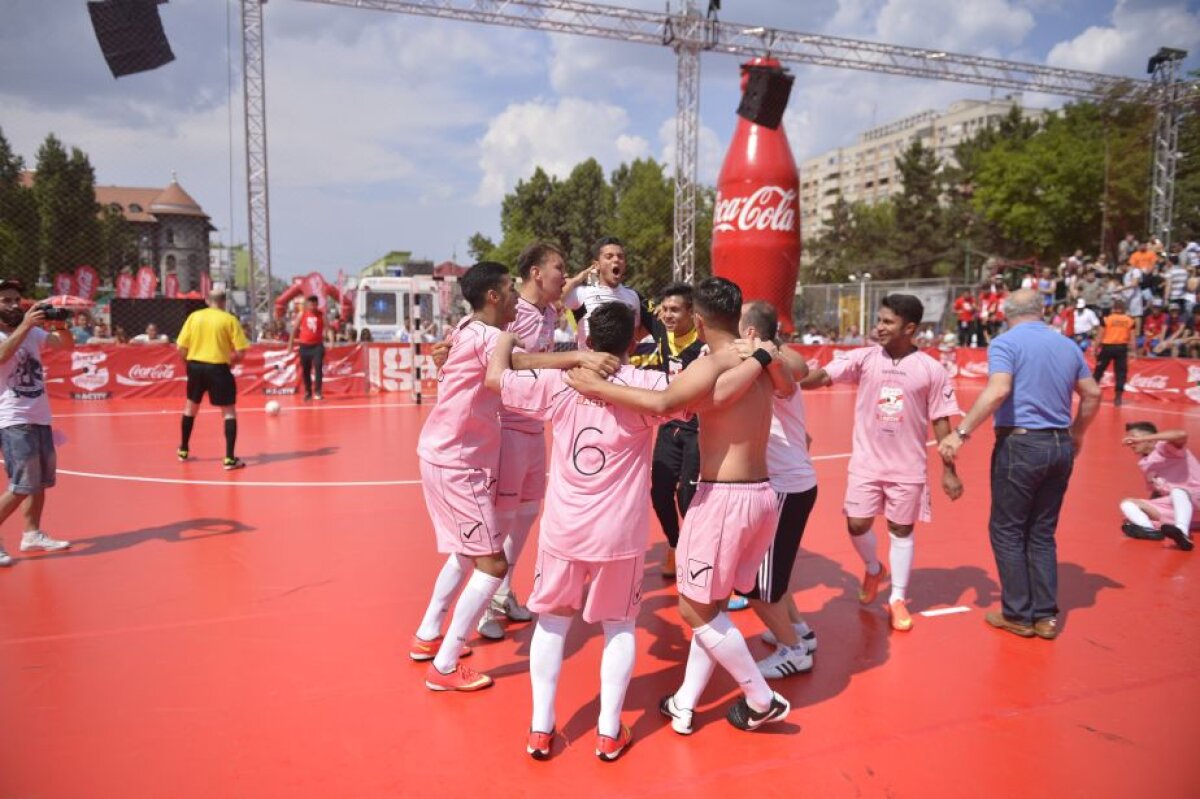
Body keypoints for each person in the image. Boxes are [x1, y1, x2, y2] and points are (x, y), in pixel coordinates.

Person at [567, 276, 796, 735]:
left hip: (725, 499)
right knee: (709, 604)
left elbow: (664, 401)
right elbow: (788, 385)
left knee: (694, 609)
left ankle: (760, 696)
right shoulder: (758, 359)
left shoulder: (716, 362)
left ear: (697, 317)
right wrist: (767, 354)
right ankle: (685, 703)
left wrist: (596, 386)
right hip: (760, 497)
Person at [411, 262, 617, 691]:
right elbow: (516, 364)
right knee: (492, 563)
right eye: (508, 289)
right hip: (458, 462)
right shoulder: (490, 335)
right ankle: (445, 666)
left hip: (454, 456)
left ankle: (428, 636)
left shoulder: (469, 326)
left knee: (469, 553)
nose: (514, 295)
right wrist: (577, 356)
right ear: (493, 296)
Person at [486, 302, 668, 762]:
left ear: (585, 339)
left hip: (565, 531)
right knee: (620, 626)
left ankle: (541, 729)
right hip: (620, 536)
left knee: (551, 622)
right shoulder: (647, 383)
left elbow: (496, 377)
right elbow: (700, 393)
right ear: (633, 342)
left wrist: (507, 339)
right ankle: (609, 732)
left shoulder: (560, 381)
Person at [939, 289, 1100, 640]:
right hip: (1058, 443)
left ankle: (1017, 613)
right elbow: (1093, 393)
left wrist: (960, 433)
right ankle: (1045, 616)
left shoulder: (1006, 343)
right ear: (1040, 312)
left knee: (1008, 530)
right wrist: (1077, 434)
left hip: (1022, 443)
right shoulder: (1067, 345)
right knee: (1041, 531)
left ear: (1006, 312)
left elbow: (999, 390)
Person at [801, 294, 963, 632]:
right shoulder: (864, 358)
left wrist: (949, 471)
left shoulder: (931, 370)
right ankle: (874, 569)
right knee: (857, 524)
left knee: (901, 529)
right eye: (879, 320)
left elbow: (941, 422)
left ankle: (897, 598)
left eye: (888, 322)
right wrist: (786, 383)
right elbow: (822, 376)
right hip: (866, 464)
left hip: (908, 468)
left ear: (910, 328)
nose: (879, 327)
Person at [736, 301, 820, 678]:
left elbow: (793, 371)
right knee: (776, 573)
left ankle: (794, 650)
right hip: (788, 484)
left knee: (754, 582)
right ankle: (799, 629)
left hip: (786, 486)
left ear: (751, 331)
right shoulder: (759, 360)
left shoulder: (774, 366)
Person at [0, 280, 73, 566]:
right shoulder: (19, 332)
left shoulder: (31, 332)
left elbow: (65, 345)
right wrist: (26, 326)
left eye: (17, 300)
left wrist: (61, 323)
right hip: (12, 418)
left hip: (39, 414)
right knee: (21, 485)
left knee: (40, 481)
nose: (14, 305)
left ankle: (31, 534)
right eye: (6, 300)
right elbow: (3, 355)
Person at [642, 283, 705, 578]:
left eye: (675, 310)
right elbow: (633, 306)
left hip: (697, 428)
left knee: (688, 495)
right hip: (668, 425)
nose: (667, 315)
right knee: (659, 492)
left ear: (692, 313)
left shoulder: (704, 343)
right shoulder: (660, 330)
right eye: (664, 309)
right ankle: (675, 545)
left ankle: (699, 553)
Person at [176, 289, 251, 471]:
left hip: (195, 365)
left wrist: (189, 363)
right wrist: (230, 363)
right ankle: (229, 459)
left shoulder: (195, 317)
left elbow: (180, 347)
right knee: (228, 412)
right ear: (224, 302)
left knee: (190, 407)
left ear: (207, 300)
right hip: (218, 367)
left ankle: (184, 449)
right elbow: (241, 352)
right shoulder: (229, 320)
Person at [1118, 422, 1197, 551]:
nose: (1130, 442)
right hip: (1179, 508)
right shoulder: (1145, 463)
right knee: (1127, 504)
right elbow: (1157, 493)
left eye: (1133, 436)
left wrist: (1141, 439)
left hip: (1195, 498)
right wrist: (1145, 511)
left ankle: (1182, 533)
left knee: (1178, 491)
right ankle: (1150, 529)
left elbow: (1182, 434)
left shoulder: (1165, 447)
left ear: (1149, 437)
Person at [562, 236, 643, 351]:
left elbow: (634, 333)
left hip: (622, 366)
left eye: (620, 256)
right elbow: (554, 301)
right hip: (589, 366)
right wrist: (577, 279)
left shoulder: (632, 296)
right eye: (609, 257)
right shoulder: (582, 293)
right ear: (596, 265)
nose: (616, 260)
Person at [1092, 298, 1137, 405]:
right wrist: (1133, 352)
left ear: (1113, 308)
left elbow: (1099, 336)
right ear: (1124, 309)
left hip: (1107, 347)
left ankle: (1091, 393)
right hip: (1121, 348)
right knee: (1120, 373)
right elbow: (1133, 339)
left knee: (1099, 370)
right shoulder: (1130, 320)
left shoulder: (1107, 319)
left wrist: (1095, 348)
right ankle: (1118, 397)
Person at [288, 295, 326, 401]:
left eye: (315, 304)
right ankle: (308, 391)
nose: (313, 306)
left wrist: (330, 340)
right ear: (308, 304)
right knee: (306, 370)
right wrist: (290, 345)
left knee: (318, 367)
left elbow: (328, 327)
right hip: (304, 346)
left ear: (317, 304)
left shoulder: (321, 315)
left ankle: (318, 391)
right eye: (311, 304)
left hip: (317, 345)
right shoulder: (302, 314)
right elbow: (294, 329)